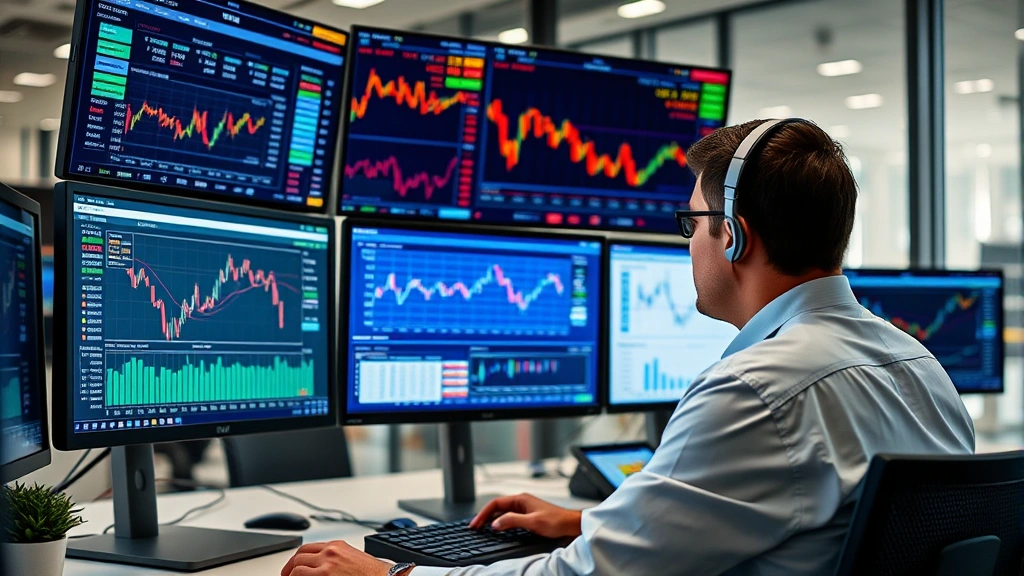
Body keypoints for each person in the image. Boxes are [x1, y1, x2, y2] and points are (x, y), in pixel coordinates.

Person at [280, 119, 975, 576]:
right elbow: (800, 515)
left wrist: (395, 573)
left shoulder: (758, 391)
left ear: (733, 236)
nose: (690, 243)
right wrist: (591, 520)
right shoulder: (920, 368)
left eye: (691, 223)